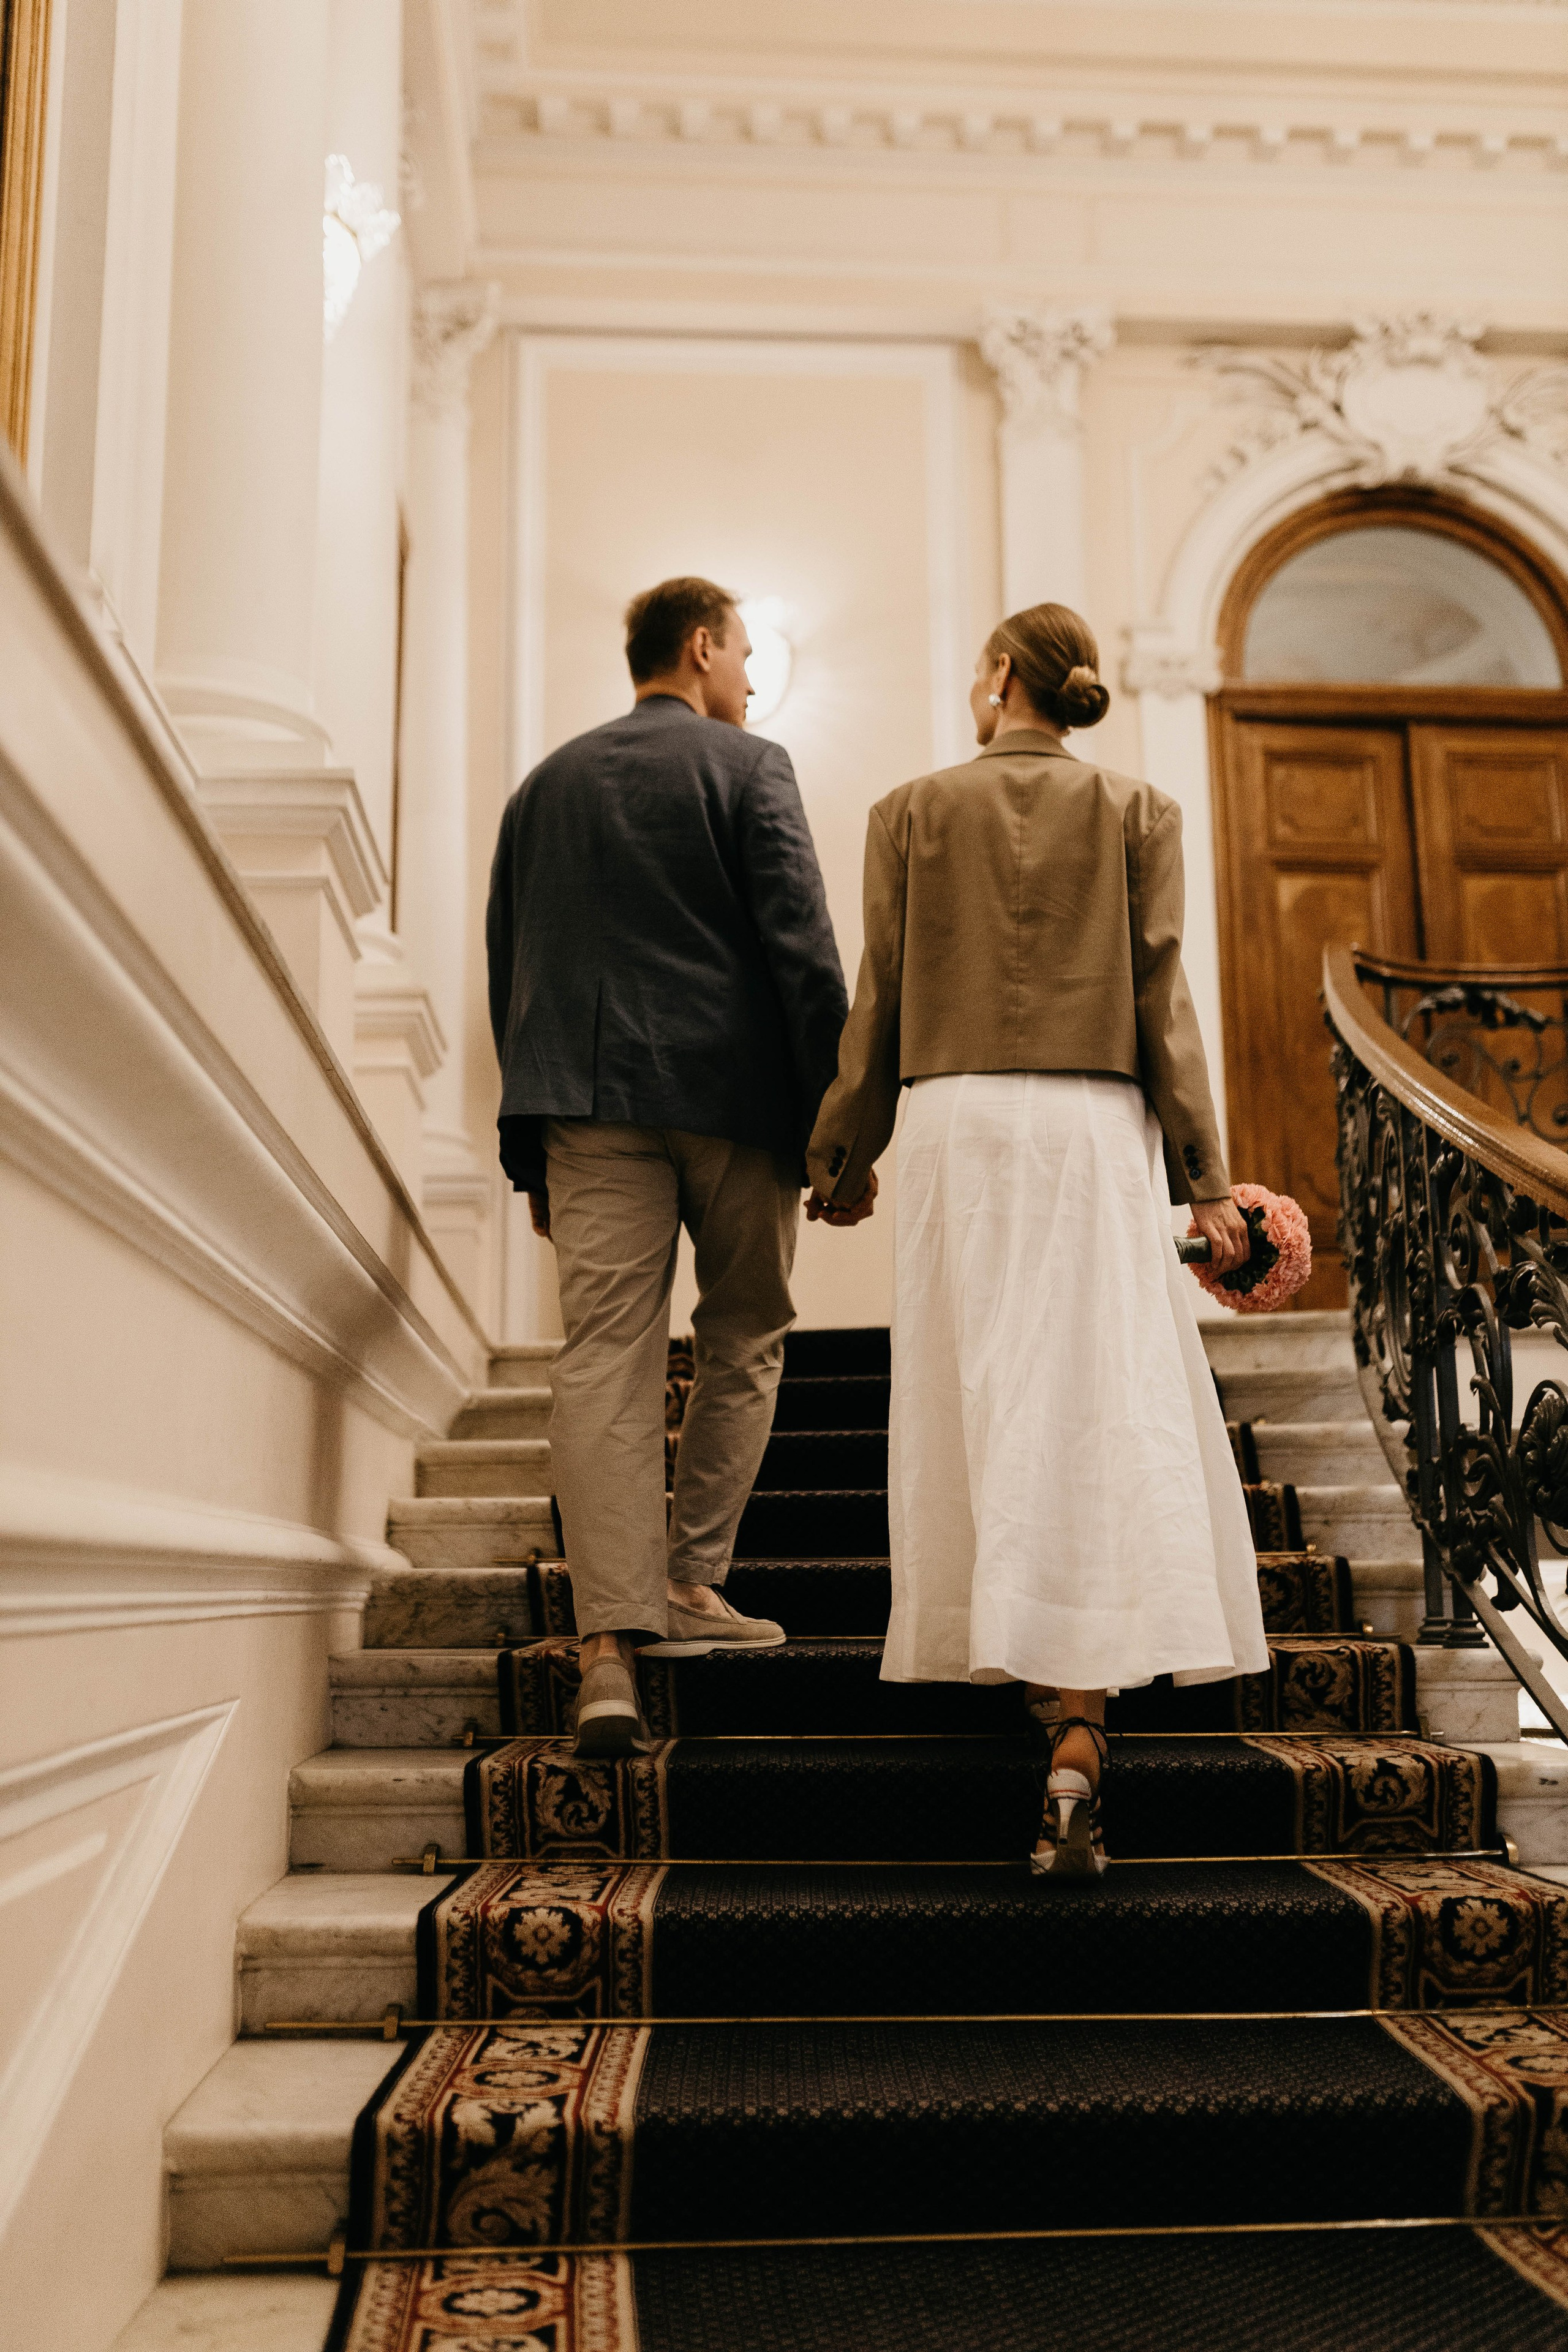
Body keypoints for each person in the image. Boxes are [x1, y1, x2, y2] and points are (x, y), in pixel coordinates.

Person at [805, 602, 1269, 1877]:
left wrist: (841, 1156)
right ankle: (1078, 1727)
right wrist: (1205, 1181)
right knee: (1091, 1395)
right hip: (1089, 1124)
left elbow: (881, 994)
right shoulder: (1137, 811)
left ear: (1000, 678)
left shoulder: (907, 810)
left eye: (975, 670)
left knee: (986, 1392)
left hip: (953, 1117)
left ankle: (1024, 1661)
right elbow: (1159, 999)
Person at [486, 577, 847, 1759]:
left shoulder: (545, 785)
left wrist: (527, 1148)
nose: (747, 678)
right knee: (745, 1329)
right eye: (743, 654)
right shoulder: (751, 768)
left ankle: (607, 1650)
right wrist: (835, 1122)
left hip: (585, 1104)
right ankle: (692, 1583)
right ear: (701, 648)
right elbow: (801, 947)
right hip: (736, 1103)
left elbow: (512, 968)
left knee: (604, 1355)